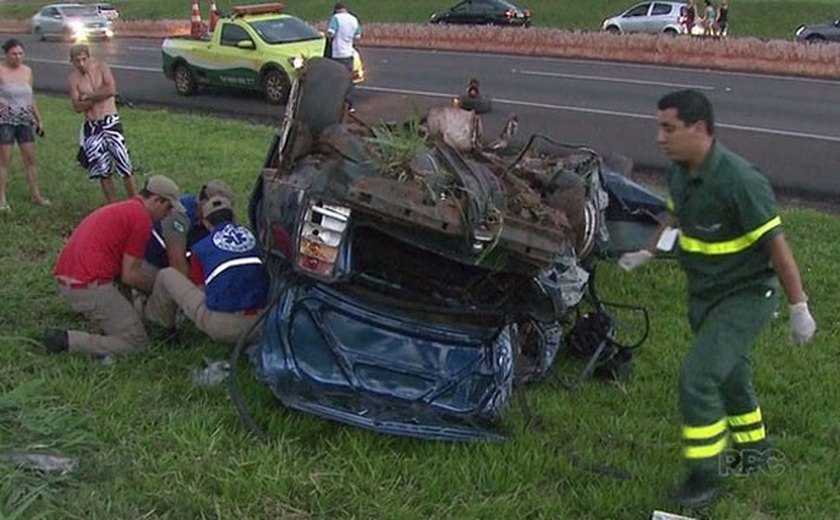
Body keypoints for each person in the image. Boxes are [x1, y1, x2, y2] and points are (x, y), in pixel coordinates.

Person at [618, 90, 816, 508]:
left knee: (698, 378)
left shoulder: (740, 181)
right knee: (730, 376)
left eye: (669, 128)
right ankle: (755, 451)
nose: (659, 138)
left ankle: (706, 476)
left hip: (745, 295)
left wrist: (798, 307)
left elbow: (777, 245)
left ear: (699, 129)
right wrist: (649, 251)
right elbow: (675, 215)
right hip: (705, 294)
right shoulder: (681, 172)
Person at [44, 175, 184, 357]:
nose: (168, 213)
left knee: (134, 320)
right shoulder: (141, 219)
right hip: (86, 285)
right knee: (137, 343)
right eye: (168, 207)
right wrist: (157, 290)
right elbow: (130, 275)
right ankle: (67, 341)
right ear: (157, 200)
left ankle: (113, 322)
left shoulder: (127, 208)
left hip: (71, 275)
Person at [143, 194, 268, 345]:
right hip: (264, 324)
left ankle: (160, 333)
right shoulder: (257, 238)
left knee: (166, 275)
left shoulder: (201, 248)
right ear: (234, 217)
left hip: (225, 328)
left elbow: (201, 290)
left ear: (206, 223)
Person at [68, 44, 137, 204]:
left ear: (89, 57)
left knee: (124, 164)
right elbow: (77, 106)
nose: (81, 64)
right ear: (72, 62)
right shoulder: (73, 79)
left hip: (110, 121)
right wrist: (97, 98)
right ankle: (113, 204)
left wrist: (87, 96)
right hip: (92, 126)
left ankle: (135, 202)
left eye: (84, 59)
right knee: (102, 170)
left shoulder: (102, 68)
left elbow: (111, 90)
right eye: (77, 61)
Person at [143, 179, 235, 278]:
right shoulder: (179, 215)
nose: (220, 211)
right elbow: (177, 264)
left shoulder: (222, 216)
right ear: (203, 201)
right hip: (154, 264)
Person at [0, 38, 49, 211]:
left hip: (24, 120)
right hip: (5, 121)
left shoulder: (27, 71)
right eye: (14, 54)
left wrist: (38, 119)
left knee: (30, 159)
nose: (18, 57)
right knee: (4, 160)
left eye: (20, 54)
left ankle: (36, 194)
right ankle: (1, 199)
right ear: (6, 54)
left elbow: (30, 97)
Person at [326, 2, 361, 112]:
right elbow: (358, 36)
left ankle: (337, 104)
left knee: (337, 79)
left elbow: (330, 33)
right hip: (349, 53)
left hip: (337, 53)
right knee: (349, 79)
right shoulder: (354, 19)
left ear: (336, 10)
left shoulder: (336, 18)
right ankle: (349, 104)